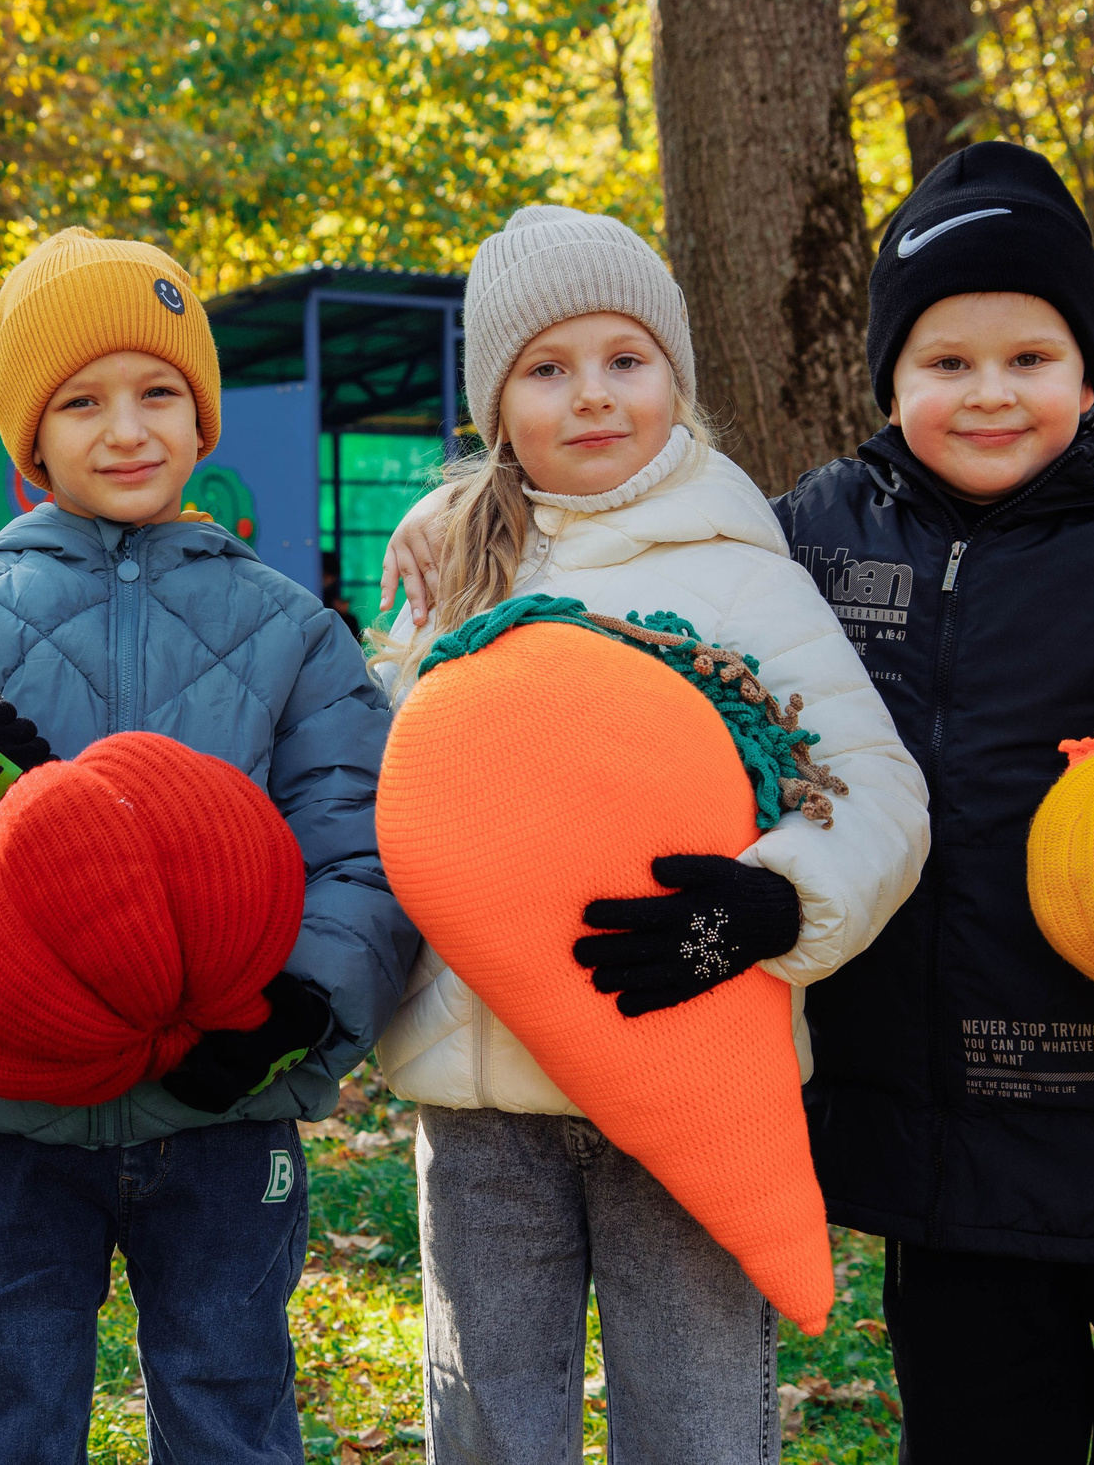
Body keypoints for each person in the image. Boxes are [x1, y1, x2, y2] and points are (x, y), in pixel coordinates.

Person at [386, 143, 1094, 1462]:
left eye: (1030, 357)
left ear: (1089, 372)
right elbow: (550, 647)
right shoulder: (822, 527)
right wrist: (451, 528)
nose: (989, 392)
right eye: (947, 362)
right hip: (938, 1134)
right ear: (889, 377)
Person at [0, 228, 409, 1464]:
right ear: (31, 442)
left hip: (223, 1109)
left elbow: (357, 844)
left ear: (203, 425)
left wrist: (303, 1007)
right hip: (8, 1118)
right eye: (81, 402)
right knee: (8, 1414)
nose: (124, 428)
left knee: (230, 1400)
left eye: (157, 394)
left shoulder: (293, 630)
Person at [372, 206, 927, 1463]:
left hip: (690, 1073)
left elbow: (877, 791)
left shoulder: (744, 572)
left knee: (697, 1422)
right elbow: (403, 796)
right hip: (482, 1096)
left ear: (676, 374)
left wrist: (774, 903)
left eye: (626, 359)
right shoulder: (454, 573)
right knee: (489, 1418)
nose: (593, 398)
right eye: (546, 370)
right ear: (496, 406)